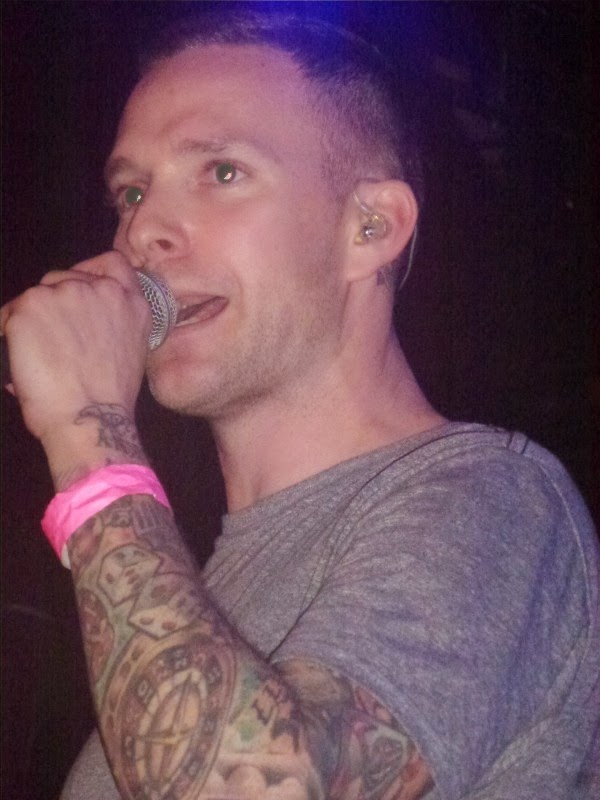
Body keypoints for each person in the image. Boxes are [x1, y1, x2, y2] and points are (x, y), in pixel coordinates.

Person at [2, 9, 598, 800]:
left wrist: (88, 433)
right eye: (132, 192)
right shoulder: (191, 590)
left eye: (221, 172)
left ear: (370, 226)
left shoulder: (497, 502)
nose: (141, 232)